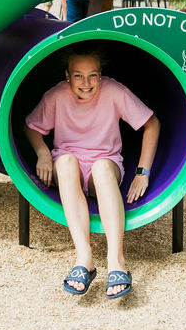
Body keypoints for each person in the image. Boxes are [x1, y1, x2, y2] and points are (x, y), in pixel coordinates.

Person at [23, 47, 160, 299]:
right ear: (67, 75)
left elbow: (151, 123)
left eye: (93, 75)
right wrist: (43, 152)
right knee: (64, 162)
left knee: (100, 167)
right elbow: (30, 125)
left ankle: (116, 260)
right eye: (78, 76)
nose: (86, 83)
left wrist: (142, 172)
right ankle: (84, 257)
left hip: (105, 164)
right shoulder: (56, 95)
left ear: (101, 74)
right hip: (69, 167)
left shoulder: (114, 92)